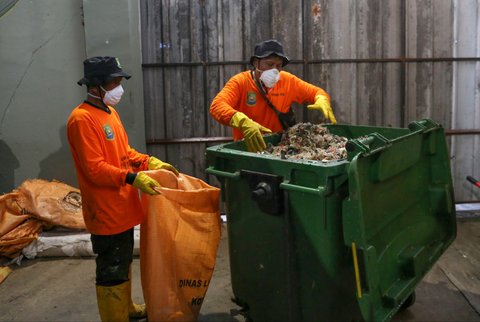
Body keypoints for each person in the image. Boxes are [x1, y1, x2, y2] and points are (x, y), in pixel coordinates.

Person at [67, 56, 178, 322]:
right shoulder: (81, 120)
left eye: (120, 81)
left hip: (123, 207)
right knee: (111, 268)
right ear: (95, 86)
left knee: (123, 260)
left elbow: (124, 152)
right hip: (105, 211)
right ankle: (114, 316)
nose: (119, 88)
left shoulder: (109, 113)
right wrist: (131, 178)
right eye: (114, 82)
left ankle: (125, 307)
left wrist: (147, 161)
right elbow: (95, 169)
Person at [210, 39, 337, 152]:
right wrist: (242, 121)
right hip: (248, 149)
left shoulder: (287, 81)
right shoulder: (240, 82)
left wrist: (321, 98)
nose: (275, 70)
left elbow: (315, 92)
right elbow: (217, 106)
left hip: (279, 149)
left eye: (279, 66)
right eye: (270, 64)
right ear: (256, 63)